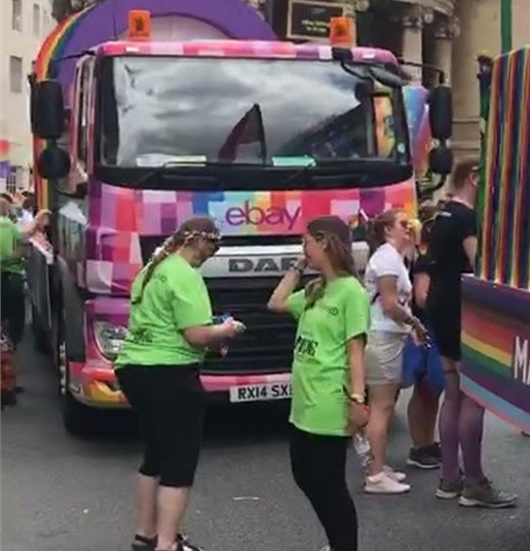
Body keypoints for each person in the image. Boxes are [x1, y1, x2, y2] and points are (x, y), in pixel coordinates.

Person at [113, 216, 243, 551]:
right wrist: (227, 330)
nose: (212, 254)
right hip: (170, 373)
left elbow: (161, 324)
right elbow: (196, 334)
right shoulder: (185, 274)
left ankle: (146, 534)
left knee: (154, 456)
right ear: (197, 240)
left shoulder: (152, 269)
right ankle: (168, 543)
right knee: (179, 463)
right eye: (213, 246)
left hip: (134, 368)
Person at [267, 216, 370, 551]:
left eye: (307, 243)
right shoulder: (316, 290)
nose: (304, 249)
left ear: (325, 242)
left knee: (329, 484)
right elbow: (276, 302)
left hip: (329, 399)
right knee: (304, 475)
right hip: (304, 401)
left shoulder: (351, 292)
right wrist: (299, 267)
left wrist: (358, 399)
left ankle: (344, 545)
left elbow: (356, 350)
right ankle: (337, 542)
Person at [427, 158, 516, 508]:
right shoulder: (466, 219)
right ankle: (475, 483)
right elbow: (481, 265)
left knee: (452, 394)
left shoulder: (442, 216)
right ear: (474, 178)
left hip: (441, 305)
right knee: (473, 396)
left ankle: (450, 478)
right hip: (464, 311)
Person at [360, 208, 426, 494]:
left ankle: (377, 465)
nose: (409, 227)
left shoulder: (393, 257)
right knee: (381, 406)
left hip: (387, 336)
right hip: (383, 336)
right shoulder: (387, 258)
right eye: (403, 223)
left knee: (384, 404)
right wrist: (414, 323)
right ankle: (375, 475)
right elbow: (389, 304)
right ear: (387, 230)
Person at [403, 207, 444, 470]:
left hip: (435, 328)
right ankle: (420, 445)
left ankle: (428, 442)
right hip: (428, 329)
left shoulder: (436, 260)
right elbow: (421, 297)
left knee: (432, 390)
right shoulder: (427, 262)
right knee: (425, 388)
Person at [0, 193, 49, 407]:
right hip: (9, 283)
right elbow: (13, 249)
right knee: (12, 333)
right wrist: (21, 255)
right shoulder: (5, 225)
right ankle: (7, 387)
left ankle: (6, 385)